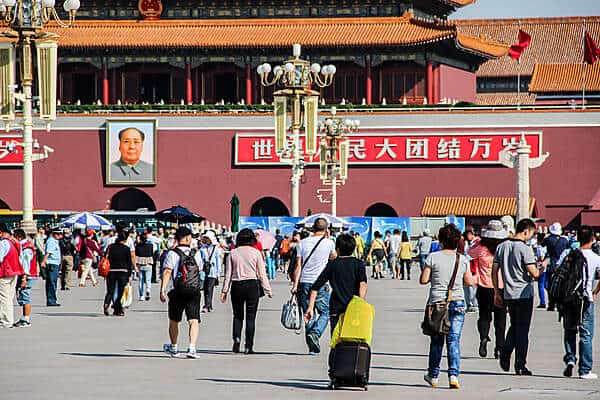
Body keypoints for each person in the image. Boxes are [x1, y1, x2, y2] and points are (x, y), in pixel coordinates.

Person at [304, 233, 368, 382]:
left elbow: (315, 287)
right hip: (354, 310)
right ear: (353, 249)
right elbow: (362, 284)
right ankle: (354, 372)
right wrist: (359, 302)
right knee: (355, 340)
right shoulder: (359, 264)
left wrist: (310, 307)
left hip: (336, 309)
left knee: (336, 342)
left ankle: (334, 374)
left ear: (337, 249)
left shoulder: (332, 265)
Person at [421, 224, 473, 389]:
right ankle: (453, 375)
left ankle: (433, 375)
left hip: (437, 303)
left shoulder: (432, 257)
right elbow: (469, 282)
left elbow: (423, 280)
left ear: (441, 241)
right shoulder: (462, 259)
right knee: (453, 340)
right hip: (457, 302)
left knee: (437, 341)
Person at [493, 218, 543, 376]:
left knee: (514, 325)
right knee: (522, 331)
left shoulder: (501, 247)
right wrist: (542, 268)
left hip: (508, 293)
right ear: (526, 231)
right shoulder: (525, 249)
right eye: (531, 234)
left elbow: (494, 270)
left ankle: (506, 351)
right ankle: (519, 363)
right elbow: (534, 273)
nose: (531, 237)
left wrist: (496, 291)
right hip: (524, 294)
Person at [220, 228, 272, 354]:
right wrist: (268, 289)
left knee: (237, 316)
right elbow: (261, 274)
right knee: (251, 318)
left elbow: (228, 274)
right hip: (252, 285)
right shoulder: (256, 253)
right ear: (252, 239)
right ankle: (248, 346)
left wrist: (224, 290)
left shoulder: (232, 253)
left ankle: (236, 339)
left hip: (237, 286)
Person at [292, 218, 337, 355]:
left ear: (313, 228)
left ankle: (312, 348)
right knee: (326, 312)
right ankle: (316, 333)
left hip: (304, 282)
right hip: (321, 282)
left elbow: (298, 265)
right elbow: (334, 257)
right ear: (326, 229)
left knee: (308, 313)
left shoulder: (302, 243)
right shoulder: (329, 243)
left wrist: (295, 284)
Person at [561, 226, 600, 380]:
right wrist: (595, 291)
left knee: (570, 330)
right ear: (592, 239)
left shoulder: (570, 254)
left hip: (569, 298)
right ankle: (585, 369)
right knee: (586, 334)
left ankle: (570, 359)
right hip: (585, 298)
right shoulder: (595, 257)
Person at [161, 227, 203, 359]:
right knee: (193, 320)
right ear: (187, 238)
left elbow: (167, 272)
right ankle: (192, 348)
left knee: (174, 320)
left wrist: (163, 289)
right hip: (193, 290)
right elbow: (200, 269)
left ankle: (174, 347)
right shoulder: (196, 253)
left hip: (177, 291)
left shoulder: (172, 254)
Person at [468, 220, 507, 359]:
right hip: (501, 287)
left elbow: (469, 254)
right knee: (500, 320)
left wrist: (477, 242)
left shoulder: (481, 248)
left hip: (484, 287)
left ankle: (484, 338)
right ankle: (500, 347)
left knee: (484, 316)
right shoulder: (503, 248)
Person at [104, 231, 133, 316]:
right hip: (123, 272)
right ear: (125, 239)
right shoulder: (126, 249)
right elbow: (129, 263)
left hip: (111, 271)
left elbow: (105, 257)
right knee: (120, 291)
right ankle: (118, 308)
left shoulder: (111, 247)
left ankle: (107, 303)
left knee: (110, 291)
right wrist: (129, 274)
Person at [0, 223, 24, 327]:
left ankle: (6, 321)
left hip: (5, 272)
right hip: (14, 272)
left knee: (4, 298)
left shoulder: (3, 243)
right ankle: (8, 319)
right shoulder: (13, 242)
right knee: (9, 297)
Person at [13, 229, 38, 327]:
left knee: (25, 296)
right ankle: (24, 318)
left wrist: (24, 278)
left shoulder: (26, 248)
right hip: (27, 275)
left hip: (27, 275)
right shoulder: (26, 245)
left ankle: (26, 319)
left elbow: (26, 264)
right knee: (23, 295)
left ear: (18, 237)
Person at [543, 222, 570, 311]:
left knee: (550, 284)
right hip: (562, 264)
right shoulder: (565, 240)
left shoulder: (548, 240)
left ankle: (551, 303)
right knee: (561, 284)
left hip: (552, 263)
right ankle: (560, 303)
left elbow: (542, 244)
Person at [41, 228, 63, 307]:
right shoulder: (51, 241)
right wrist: (43, 262)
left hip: (55, 263)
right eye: (59, 234)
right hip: (51, 264)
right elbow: (48, 253)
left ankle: (52, 299)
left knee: (53, 282)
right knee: (51, 283)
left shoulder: (55, 241)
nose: (60, 236)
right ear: (55, 234)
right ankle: (51, 300)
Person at [201, 231, 221, 313]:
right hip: (204, 271)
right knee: (205, 289)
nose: (206, 240)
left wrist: (218, 273)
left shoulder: (216, 248)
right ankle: (208, 304)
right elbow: (200, 259)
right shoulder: (203, 248)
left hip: (212, 271)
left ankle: (207, 305)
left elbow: (218, 261)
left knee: (210, 289)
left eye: (208, 238)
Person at [135, 233, 154, 301]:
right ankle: (148, 289)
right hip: (148, 262)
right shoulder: (150, 245)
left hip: (140, 263)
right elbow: (152, 253)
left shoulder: (137, 246)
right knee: (148, 279)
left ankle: (141, 295)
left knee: (141, 280)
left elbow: (136, 254)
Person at [532, 232, 549, 308]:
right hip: (546, 266)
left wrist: (536, 261)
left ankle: (542, 302)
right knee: (546, 284)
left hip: (540, 267)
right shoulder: (546, 247)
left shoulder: (539, 247)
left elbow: (541, 257)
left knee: (540, 285)